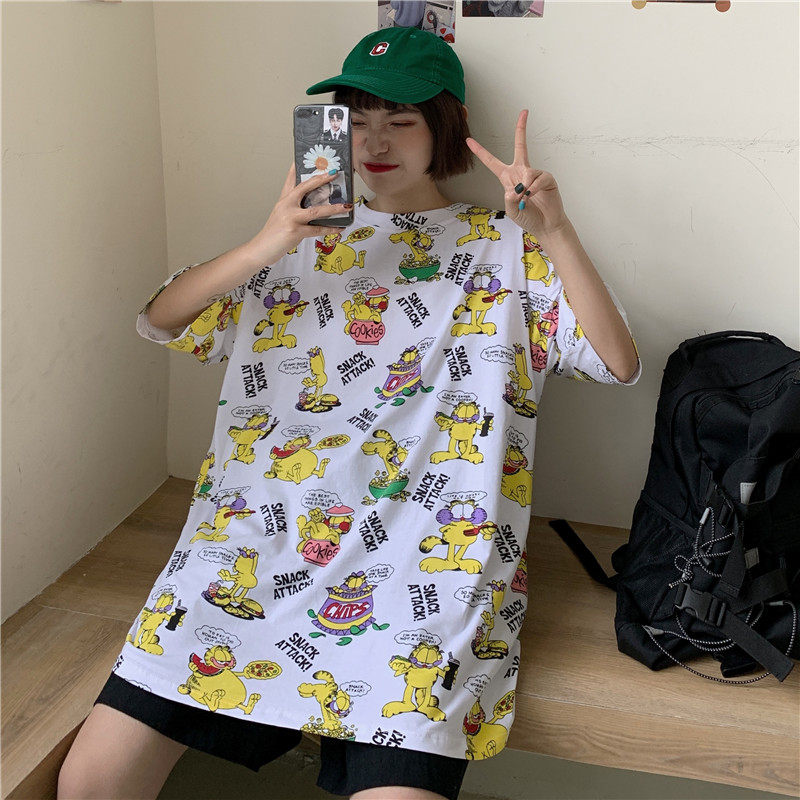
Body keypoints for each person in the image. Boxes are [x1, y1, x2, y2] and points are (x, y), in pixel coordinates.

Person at [58, 25, 640, 800]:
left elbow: (615, 361)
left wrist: (555, 230)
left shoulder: (504, 247)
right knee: (90, 781)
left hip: (423, 572)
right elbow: (162, 320)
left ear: (448, 129)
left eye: (401, 120)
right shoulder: (293, 243)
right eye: (355, 120)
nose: (376, 141)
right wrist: (267, 241)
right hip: (258, 547)